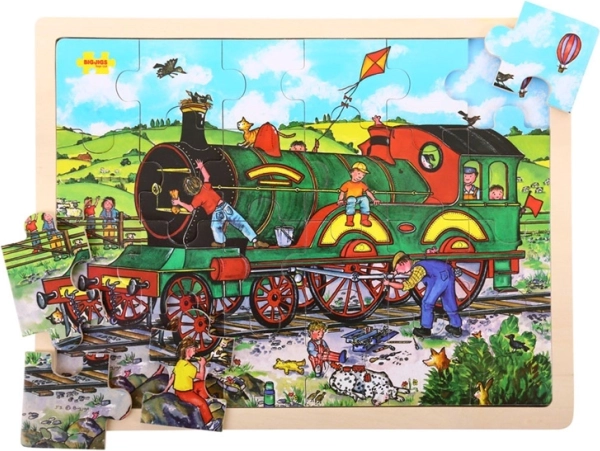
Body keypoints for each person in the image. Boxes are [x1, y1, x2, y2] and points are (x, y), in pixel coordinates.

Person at [172, 159, 269, 249]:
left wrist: (179, 202)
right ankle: (255, 241)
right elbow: (207, 177)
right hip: (225, 206)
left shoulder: (197, 199)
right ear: (198, 182)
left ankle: (220, 242)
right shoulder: (205, 187)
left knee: (215, 227)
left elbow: (190, 208)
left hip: (217, 211)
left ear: (189, 191)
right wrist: (201, 167)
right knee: (241, 223)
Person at [383, 251, 463, 338]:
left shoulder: (418, 269)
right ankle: (456, 326)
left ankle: (426, 328)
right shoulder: (419, 263)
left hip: (439, 278)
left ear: (402, 263)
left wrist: (389, 283)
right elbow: (410, 272)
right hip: (448, 273)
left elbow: (408, 285)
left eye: (398, 271)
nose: (400, 273)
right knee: (449, 302)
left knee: (427, 303)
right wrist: (395, 273)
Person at [162, 336, 221, 431]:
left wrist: (166, 389)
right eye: (194, 349)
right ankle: (209, 424)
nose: (195, 351)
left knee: (201, 384)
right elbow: (201, 376)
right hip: (185, 394)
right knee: (202, 404)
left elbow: (172, 377)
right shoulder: (189, 367)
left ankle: (205, 399)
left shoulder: (179, 363)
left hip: (179, 391)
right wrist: (202, 365)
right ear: (187, 350)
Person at [337, 162, 380, 227]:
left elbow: (368, 192)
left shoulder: (362, 184)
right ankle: (349, 220)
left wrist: (374, 199)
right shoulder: (347, 184)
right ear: (351, 173)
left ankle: (364, 219)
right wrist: (340, 200)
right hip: (350, 199)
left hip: (359, 198)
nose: (360, 176)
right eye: (359, 173)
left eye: (363, 175)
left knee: (365, 199)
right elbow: (342, 193)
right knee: (351, 199)